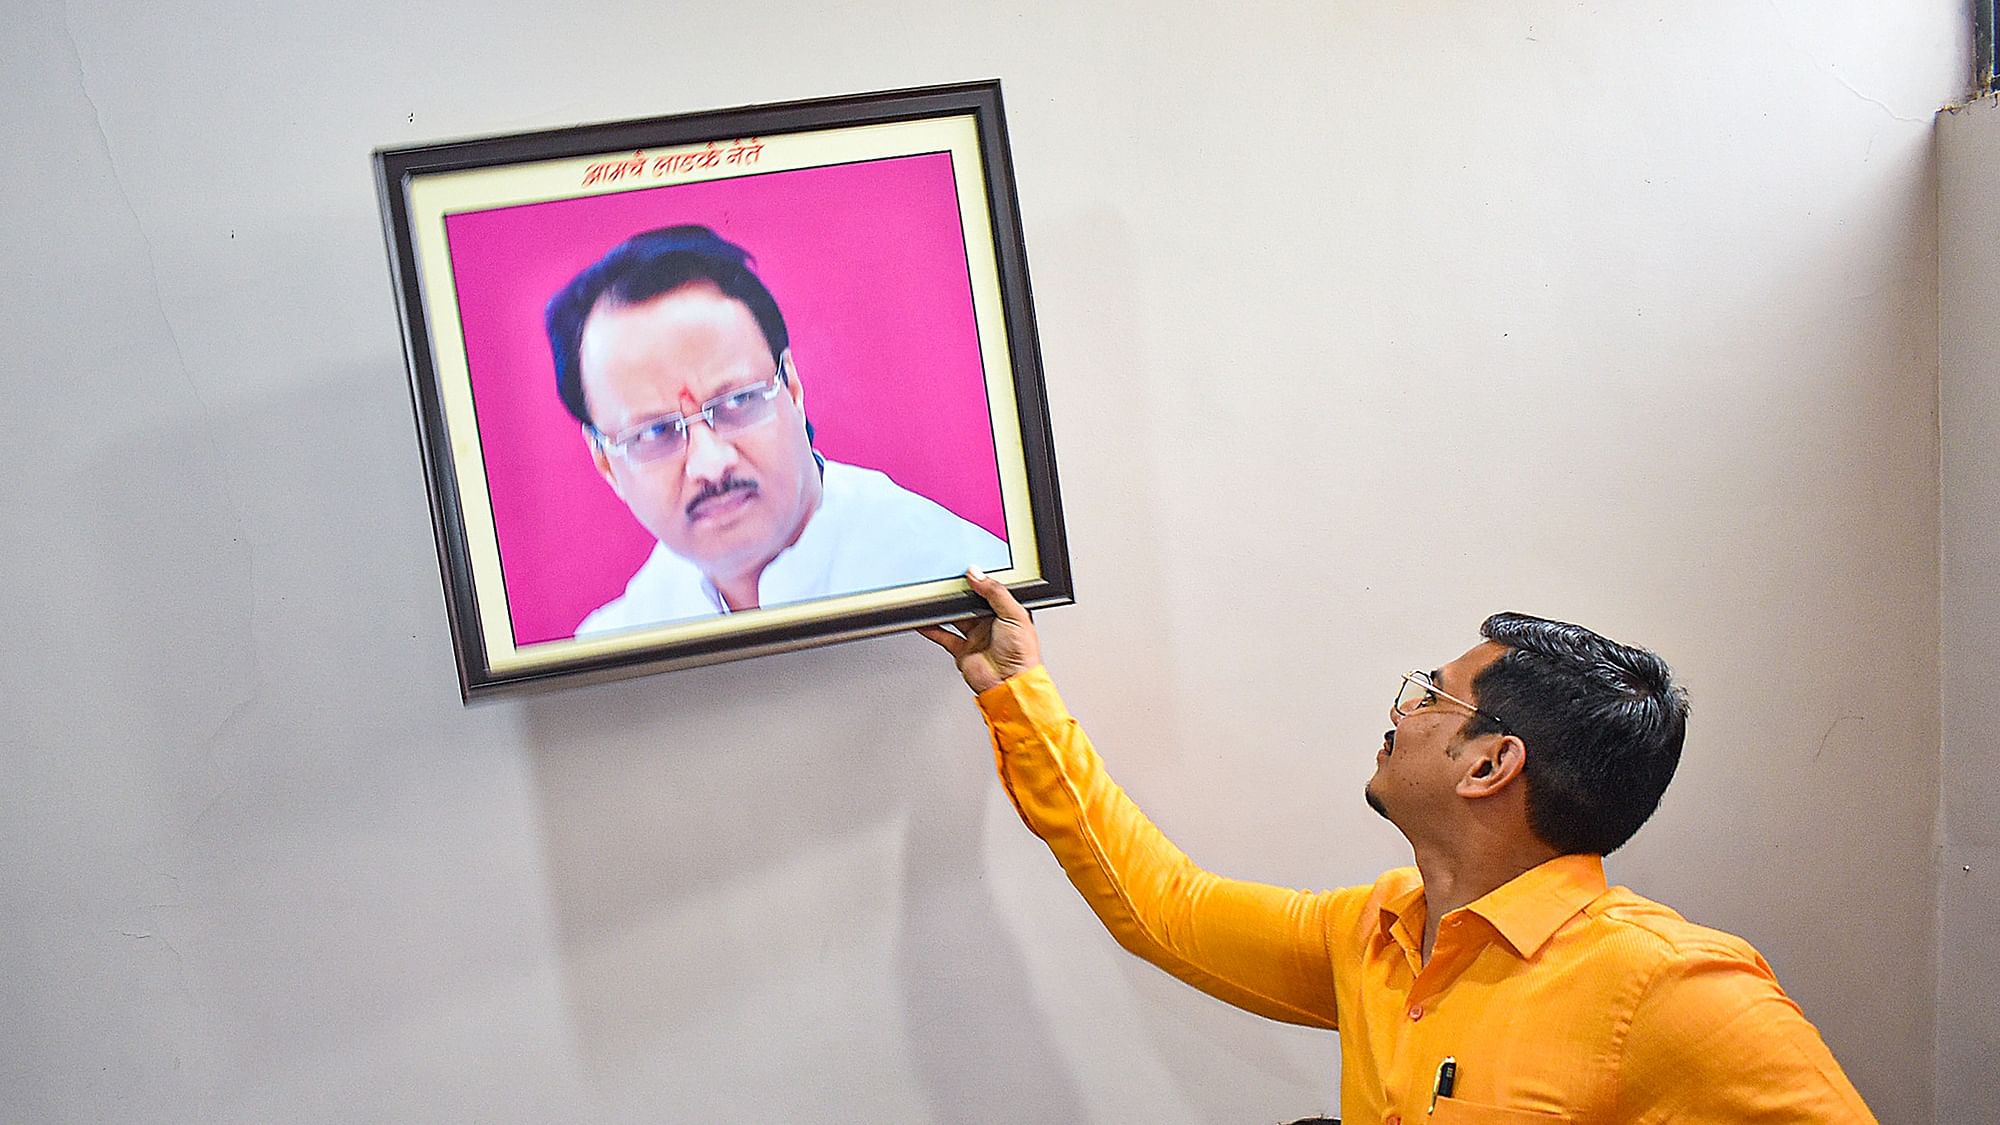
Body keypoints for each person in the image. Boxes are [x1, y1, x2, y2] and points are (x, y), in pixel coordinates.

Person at [922, 571, 1876, 1123]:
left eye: (1431, 692)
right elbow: (1163, 908)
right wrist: (1016, 690)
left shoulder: (1676, 990)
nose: (1401, 706)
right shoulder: (1376, 932)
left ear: (1491, 763)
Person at [545, 225, 1010, 637]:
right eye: (653, 433)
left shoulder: (968, 591)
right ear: (606, 463)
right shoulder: (613, 654)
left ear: (791, 388)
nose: (711, 464)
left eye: (737, 402)